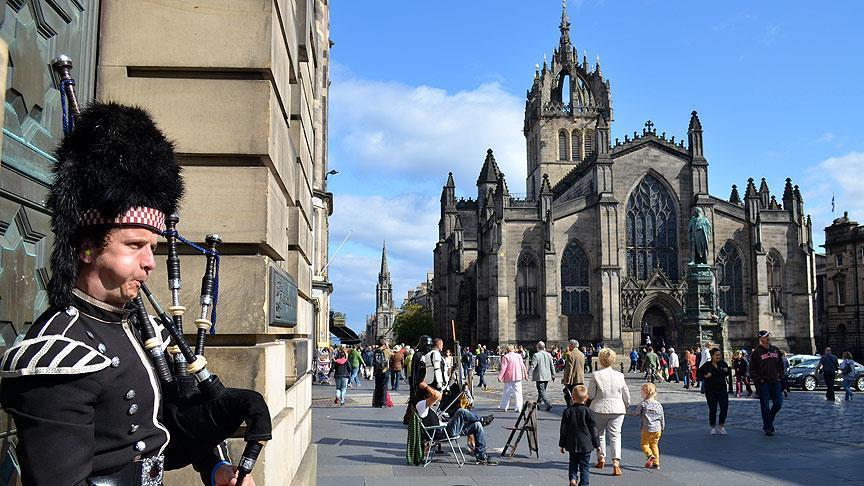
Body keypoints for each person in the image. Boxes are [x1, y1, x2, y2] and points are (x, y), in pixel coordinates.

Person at [0, 103, 251, 485]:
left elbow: (171, 423)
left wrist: (215, 467)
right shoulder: (59, 351)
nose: (150, 263)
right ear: (87, 248)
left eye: (152, 248)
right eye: (134, 245)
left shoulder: (142, 330)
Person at [414, 383, 497, 465]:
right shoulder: (420, 405)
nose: (435, 402)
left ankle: (481, 455)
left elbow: (438, 396)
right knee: (461, 411)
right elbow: (437, 395)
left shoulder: (427, 408)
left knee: (477, 425)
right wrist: (425, 386)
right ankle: (482, 420)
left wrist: (450, 422)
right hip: (443, 434)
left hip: (445, 430)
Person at [587, 348, 630, 476]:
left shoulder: (596, 375)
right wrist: (626, 405)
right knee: (615, 435)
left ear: (600, 360)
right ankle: (616, 461)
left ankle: (601, 457)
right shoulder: (620, 375)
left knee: (599, 434)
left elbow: (591, 395)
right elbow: (626, 394)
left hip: (599, 408)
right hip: (617, 408)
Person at [559, 385, 600, 486]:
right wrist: (597, 445)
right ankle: (584, 484)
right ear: (586, 398)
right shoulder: (589, 412)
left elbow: (563, 429)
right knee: (584, 466)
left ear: (572, 397)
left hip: (572, 443)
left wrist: (562, 444)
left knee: (573, 463)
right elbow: (593, 429)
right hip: (586, 444)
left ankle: (573, 479)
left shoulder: (568, 411)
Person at [750, 330, 784, 436]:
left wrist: (781, 376)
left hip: (775, 381)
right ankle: (768, 427)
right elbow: (752, 369)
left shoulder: (775, 349)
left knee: (778, 403)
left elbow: (781, 365)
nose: (768, 338)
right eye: (765, 336)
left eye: (768, 336)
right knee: (765, 406)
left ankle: (770, 418)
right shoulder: (756, 352)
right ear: (761, 338)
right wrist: (759, 380)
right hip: (764, 383)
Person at [627, 383, 664, 470]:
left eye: (641, 392)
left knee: (644, 444)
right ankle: (656, 463)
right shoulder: (658, 404)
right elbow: (662, 417)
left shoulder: (643, 404)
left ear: (645, 393)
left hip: (647, 428)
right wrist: (662, 427)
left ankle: (650, 455)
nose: (640, 393)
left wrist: (627, 411)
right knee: (654, 444)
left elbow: (635, 413)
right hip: (657, 429)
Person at [698, 348, 730, 435]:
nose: (719, 357)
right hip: (711, 390)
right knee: (713, 409)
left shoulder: (723, 364)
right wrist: (705, 376)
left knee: (724, 408)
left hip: (722, 389)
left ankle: (721, 426)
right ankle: (712, 426)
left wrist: (727, 371)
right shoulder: (707, 365)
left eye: (720, 355)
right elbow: (699, 374)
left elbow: (727, 372)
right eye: (717, 355)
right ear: (712, 356)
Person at [498, 344, 528, 412]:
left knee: (507, 392)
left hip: (509, 377)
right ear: (513, 349)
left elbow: (503, 368)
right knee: (518, 393)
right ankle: (519, 407)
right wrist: (526, 374)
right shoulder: (518, 356)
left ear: (507, 350)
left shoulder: (505, 357)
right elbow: (523, 365)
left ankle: (504, 406)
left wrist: (500, 376)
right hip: (518, 376)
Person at [530, 341, 556, 411]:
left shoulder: (536, 355)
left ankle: (548, 404)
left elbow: (533, 366)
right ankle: (538, 404)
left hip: (540, 376)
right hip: (547, 376)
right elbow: (552, 365)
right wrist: (553, 374)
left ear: (538, 347)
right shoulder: (548, 354)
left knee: (541, 391)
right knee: (542, 391)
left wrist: (528, 374)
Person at [562, 339, 586, 405]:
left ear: (572, 345)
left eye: (569, 345)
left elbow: (569, 369)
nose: (568, 346)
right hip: (580, 379)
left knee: (569, 396)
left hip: (573, 380)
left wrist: (566, 380)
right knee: (578, 396)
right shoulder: (582, 354)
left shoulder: (570, 354)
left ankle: (571, 409)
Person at [372, 339, 391, 407]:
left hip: (377, 371)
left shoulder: (375, 351)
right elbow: (393, 354)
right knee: (384, 387)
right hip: (384, 370)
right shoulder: (386, 351)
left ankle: (376, 403)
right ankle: (383, 403)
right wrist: (387, 346)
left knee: (377, 386)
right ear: (384, 344)